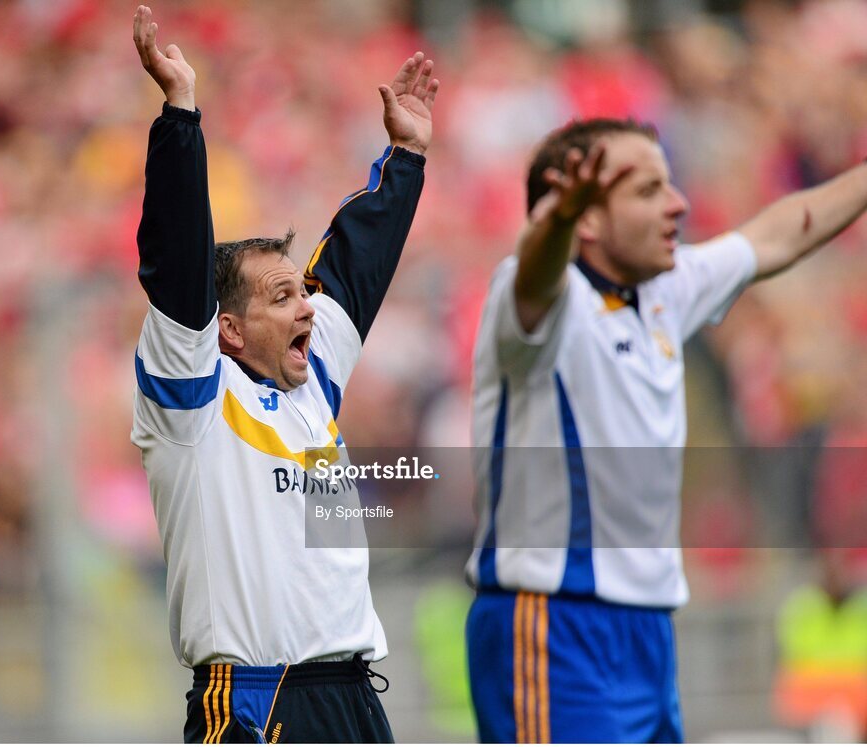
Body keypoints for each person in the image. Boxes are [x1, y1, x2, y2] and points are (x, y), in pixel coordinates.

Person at [464, 117, 867, 742]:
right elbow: (536, 273)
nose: (677, 204)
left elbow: (784, 233)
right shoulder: (537, 298)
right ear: (586, 218)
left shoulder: (663, 290)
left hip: (647, 629)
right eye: (649, 190)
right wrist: (555, 224)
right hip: (553, 624)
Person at [129, 6, 438, 743]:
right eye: (281, 295)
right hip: (256, 702)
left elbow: (354, 267)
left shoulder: (311, 383)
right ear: (226, 329)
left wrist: (408, 158)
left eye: (302, 292)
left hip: (355, 695)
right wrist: (180, 116)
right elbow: (176, 265)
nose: (308, 305)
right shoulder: (194, 397)